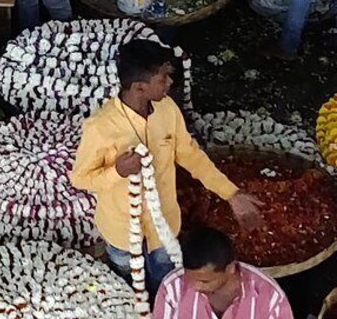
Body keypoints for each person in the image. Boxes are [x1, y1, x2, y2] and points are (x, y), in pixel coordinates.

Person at [71, 40, 264, 295]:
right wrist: (117, 172)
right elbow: (81, 179)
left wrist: (231, 193)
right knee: (129, 285)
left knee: (164, 281)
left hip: (163, 227)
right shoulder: (100, 127)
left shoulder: (167, 110)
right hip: (121, 231)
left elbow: (190, 155)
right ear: (140, 87)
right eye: (163, 79)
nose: (170, 83)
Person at [154, 227, 293, 318]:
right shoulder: (172, 289)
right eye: (190, 279)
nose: (195, 286)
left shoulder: (270, 298)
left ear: (230, 268)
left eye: (205, 281)